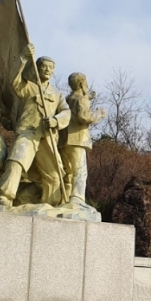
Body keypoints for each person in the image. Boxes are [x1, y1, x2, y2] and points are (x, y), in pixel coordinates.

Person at [0, 43, 70, 209]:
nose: (48, 70)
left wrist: (56, 121)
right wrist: (23, 57)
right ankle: (5, 197)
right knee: (16, 162)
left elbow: (66, 112)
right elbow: (13, 80)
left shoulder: (57, 94)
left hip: (47, 137)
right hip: (28, 133)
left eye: (51, 68)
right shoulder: (28, 87)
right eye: (44, 67)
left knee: (54, 175)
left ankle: (50, 205)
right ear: (38, 68)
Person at [61, 72, 106, 205]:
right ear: (81, 83)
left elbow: (74, 107)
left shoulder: (67, 99)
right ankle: (77, 199)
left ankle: (64, 199)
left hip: (64, 141)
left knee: (67, 172)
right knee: (80, 171)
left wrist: (87, 97)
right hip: (78, 139)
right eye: (85, 82)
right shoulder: (81, 99)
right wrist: (99, 114)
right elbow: (84, 116)